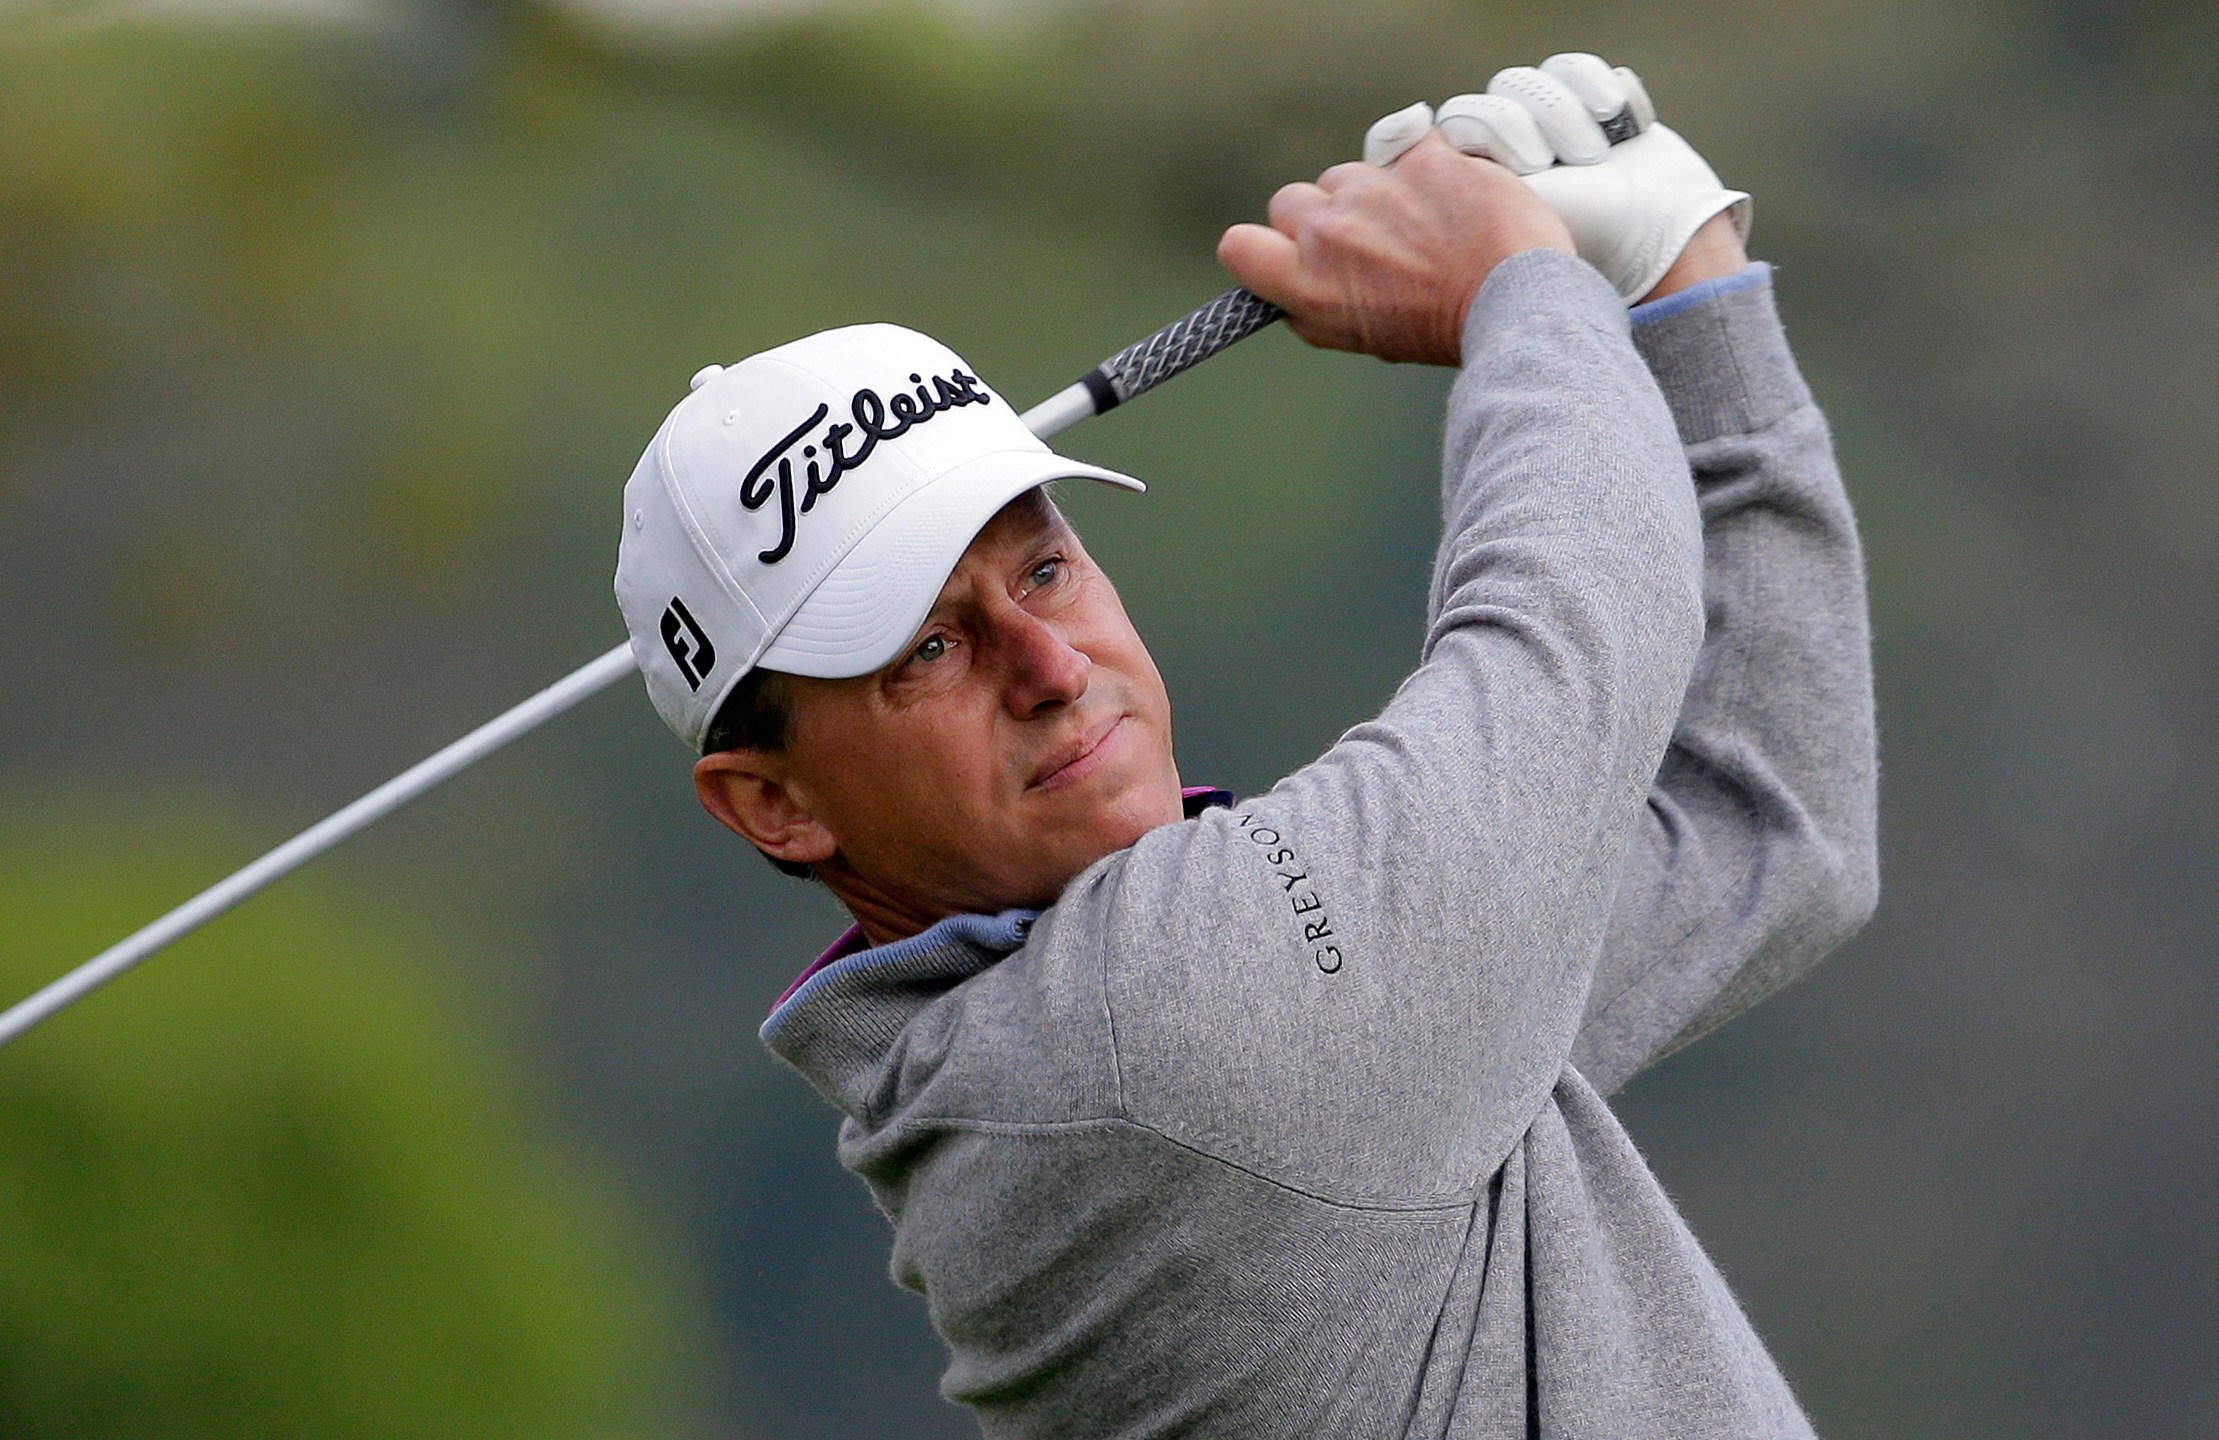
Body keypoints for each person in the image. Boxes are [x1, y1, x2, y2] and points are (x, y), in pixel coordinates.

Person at [611, 53, 1877, 1440]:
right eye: (925, 650)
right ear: (775, 805)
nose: (1049, 667)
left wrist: (1693, 291)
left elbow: (1760, 823)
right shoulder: (1141, 1047)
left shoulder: (1287, 1032)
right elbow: (1583, 642)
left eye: (1042, 574)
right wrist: (1529, 284)